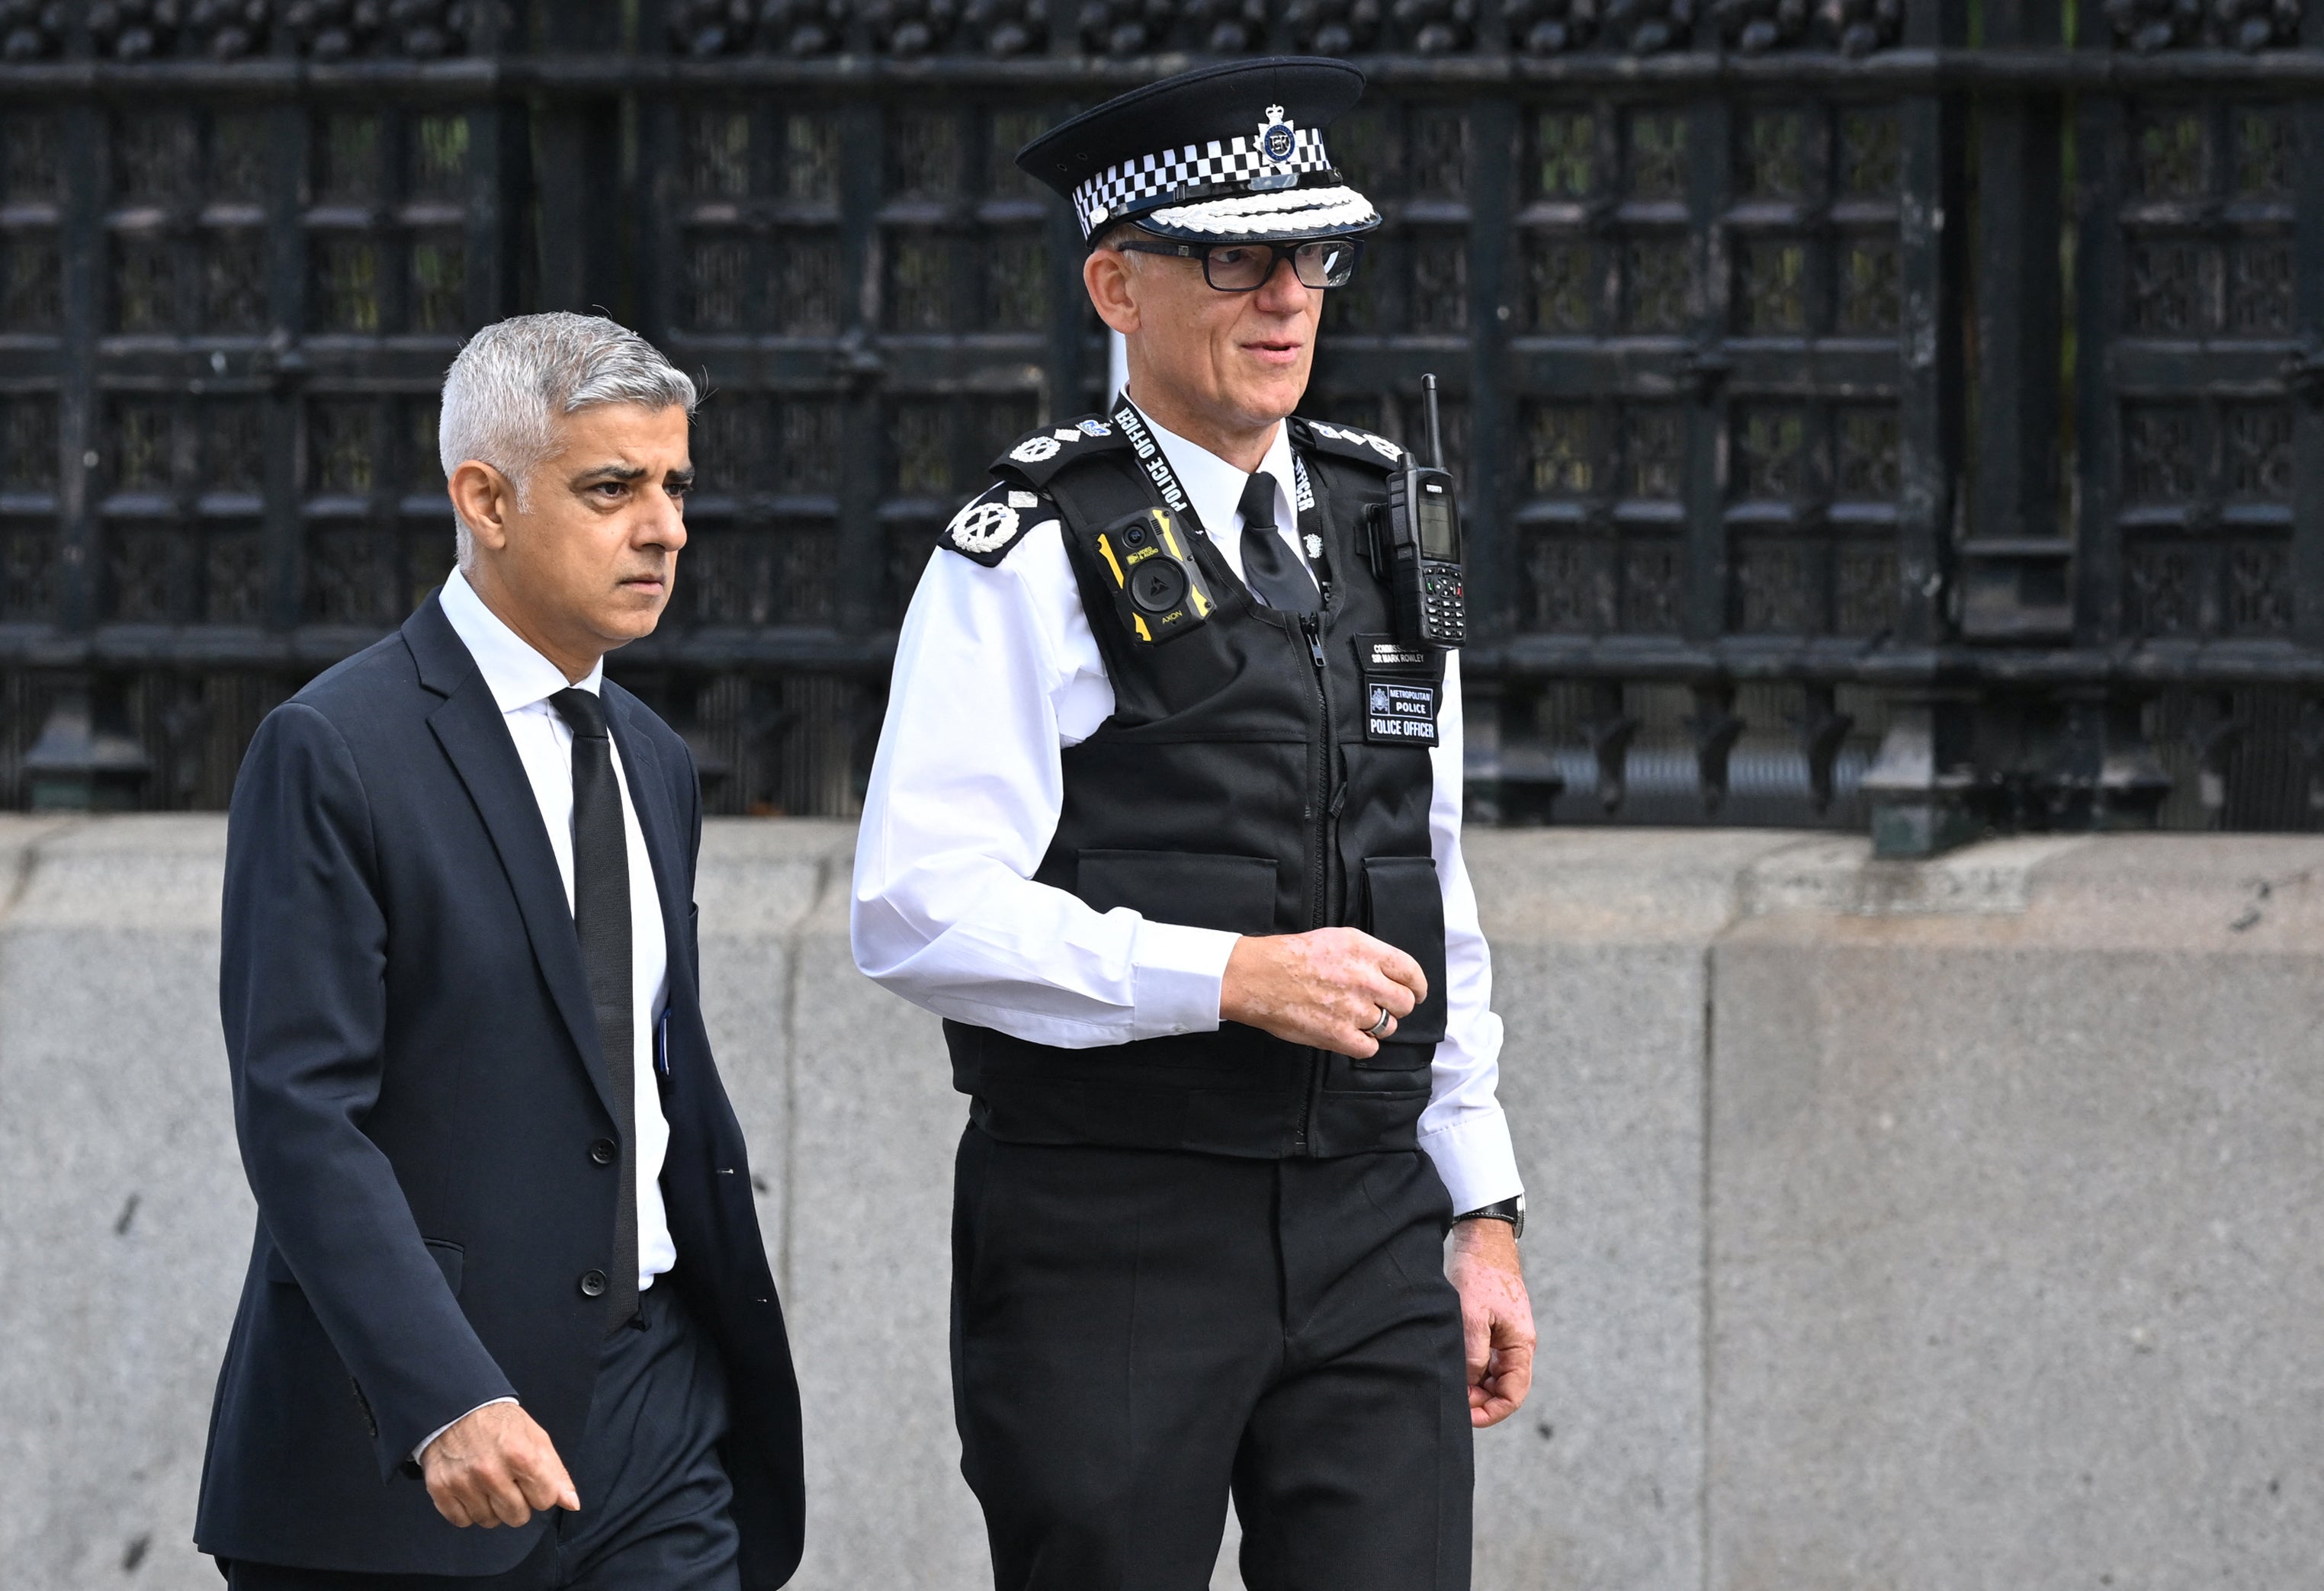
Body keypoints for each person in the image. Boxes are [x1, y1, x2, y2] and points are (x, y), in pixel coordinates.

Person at [852, 58, 1533, 1591]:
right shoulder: (1029, 550)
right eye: (1236, 255)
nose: (1287, 295)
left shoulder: (1381, 516)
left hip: (1369, 1216)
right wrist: (1225, 974)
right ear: (1117, 284)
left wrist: (1480, 1209)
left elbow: (1433, 876)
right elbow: (912, 907)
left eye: (1314, 255)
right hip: (1116, 1225)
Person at [195, 313, 803, 1590]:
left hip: (654, 1415)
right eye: (612, 489)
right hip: (411, 1444)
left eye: (676, 485)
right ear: (486, 499)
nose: (665, 528)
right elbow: (303, 1117)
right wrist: (442, 1395)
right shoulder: (333, 751)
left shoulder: (650, 758)